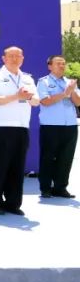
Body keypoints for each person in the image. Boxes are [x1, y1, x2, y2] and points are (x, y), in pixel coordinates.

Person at [0, 46, 40, 215]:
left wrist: (28, 97)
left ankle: (13, 203)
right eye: (11, 56)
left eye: (18, 56)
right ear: (4, 58)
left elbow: (36, 101)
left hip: (21, 128)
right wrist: (17, 96)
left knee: (17, 167)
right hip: (0, 128)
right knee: (0, 167)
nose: (15, 59)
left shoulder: (27, 78)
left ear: (22, 58)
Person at [36, 55, 80, 198]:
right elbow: (45, 101)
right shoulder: (44, 82)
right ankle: (46, 188)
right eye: (58, 63)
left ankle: (60, 187)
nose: (62, 66)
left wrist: (72, 91)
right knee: (48, 157)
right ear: (50, 66)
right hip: (51, 125)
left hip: (70, 125)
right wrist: (64, 93)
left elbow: (78, 102)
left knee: (66, 158)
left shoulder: (70, 82)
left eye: (63, 63)